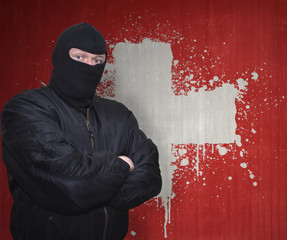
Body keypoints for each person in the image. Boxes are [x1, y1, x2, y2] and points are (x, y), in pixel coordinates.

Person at [1, 23, 162, 240]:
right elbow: (68, 187)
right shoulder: (25, 108)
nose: (89, 65)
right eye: (79, 57)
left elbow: (150, 177)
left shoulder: (119, 114)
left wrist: (95, 189)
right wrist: (122, 165)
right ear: (59, 57)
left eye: (97, 60)